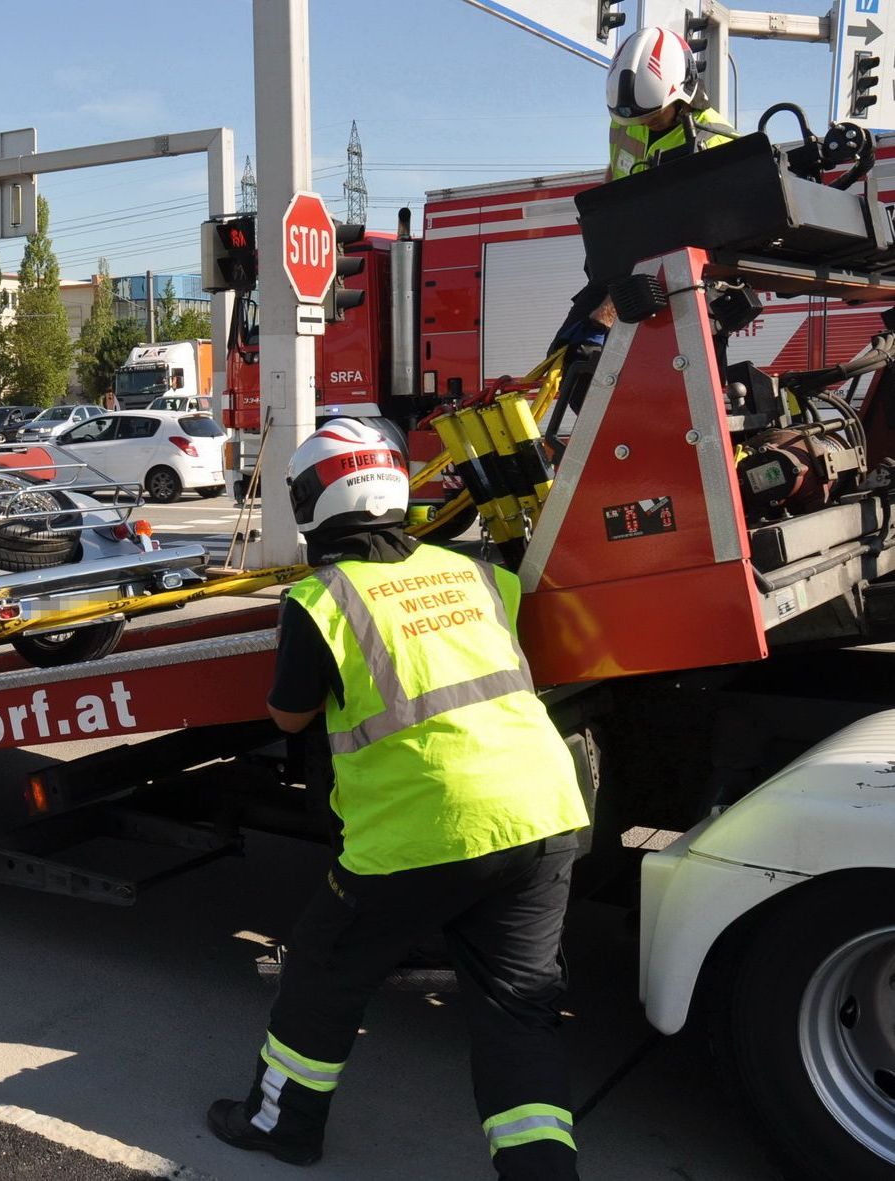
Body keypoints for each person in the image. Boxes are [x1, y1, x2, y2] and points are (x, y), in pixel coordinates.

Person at [206, 419, 590, 1178]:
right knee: (518, 1012)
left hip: (424, 828)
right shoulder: (477, 572)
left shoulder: (323, 598)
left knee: (323, 968)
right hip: (543, 810)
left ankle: (280, 1123)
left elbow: (289, 714)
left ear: (316, 500)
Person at [551, 26, 737, 367]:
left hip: (681, 286)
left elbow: (687, 246)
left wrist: (608, 310)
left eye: (653, 114)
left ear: (683, 92)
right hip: (624, 268)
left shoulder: (714, 145)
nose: (645, 122)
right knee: (569, 360)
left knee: (630, 375)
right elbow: (614, 177)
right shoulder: (630, 119)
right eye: (637, 116)